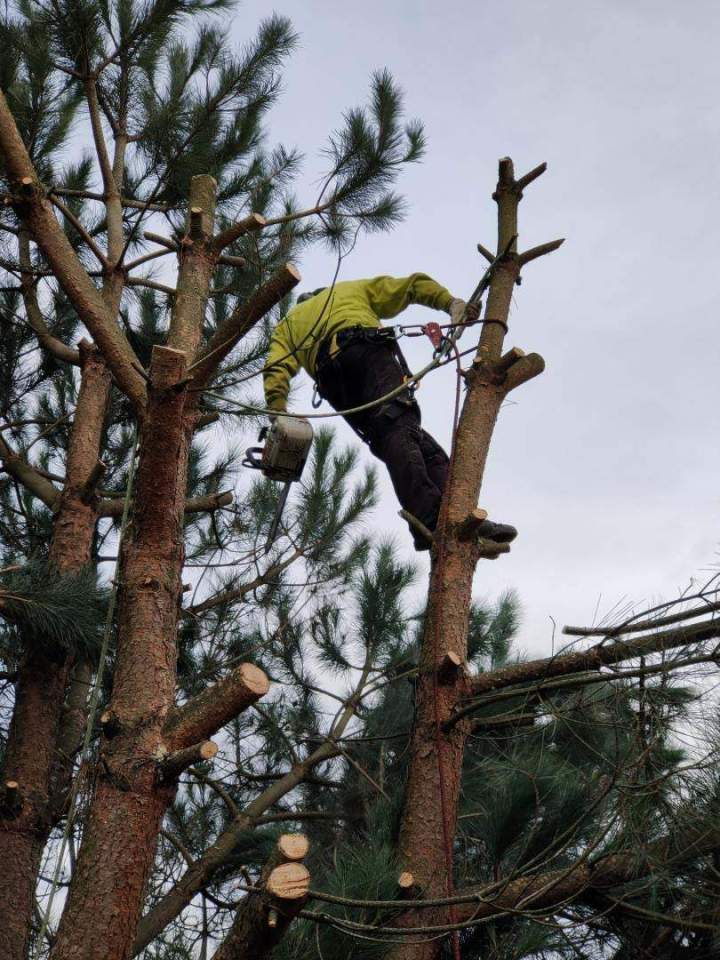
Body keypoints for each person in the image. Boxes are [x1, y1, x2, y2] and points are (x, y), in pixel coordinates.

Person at [262, 273, 516, 551]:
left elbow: (276, 366)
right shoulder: (347, 288)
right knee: (399, 428)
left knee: (403, 436)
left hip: (335, 385)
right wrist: (450, 303)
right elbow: (412, 286)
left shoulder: (287, 324)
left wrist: (277, 409)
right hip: (364, 349)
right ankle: (431, 518)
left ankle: (457, 514)